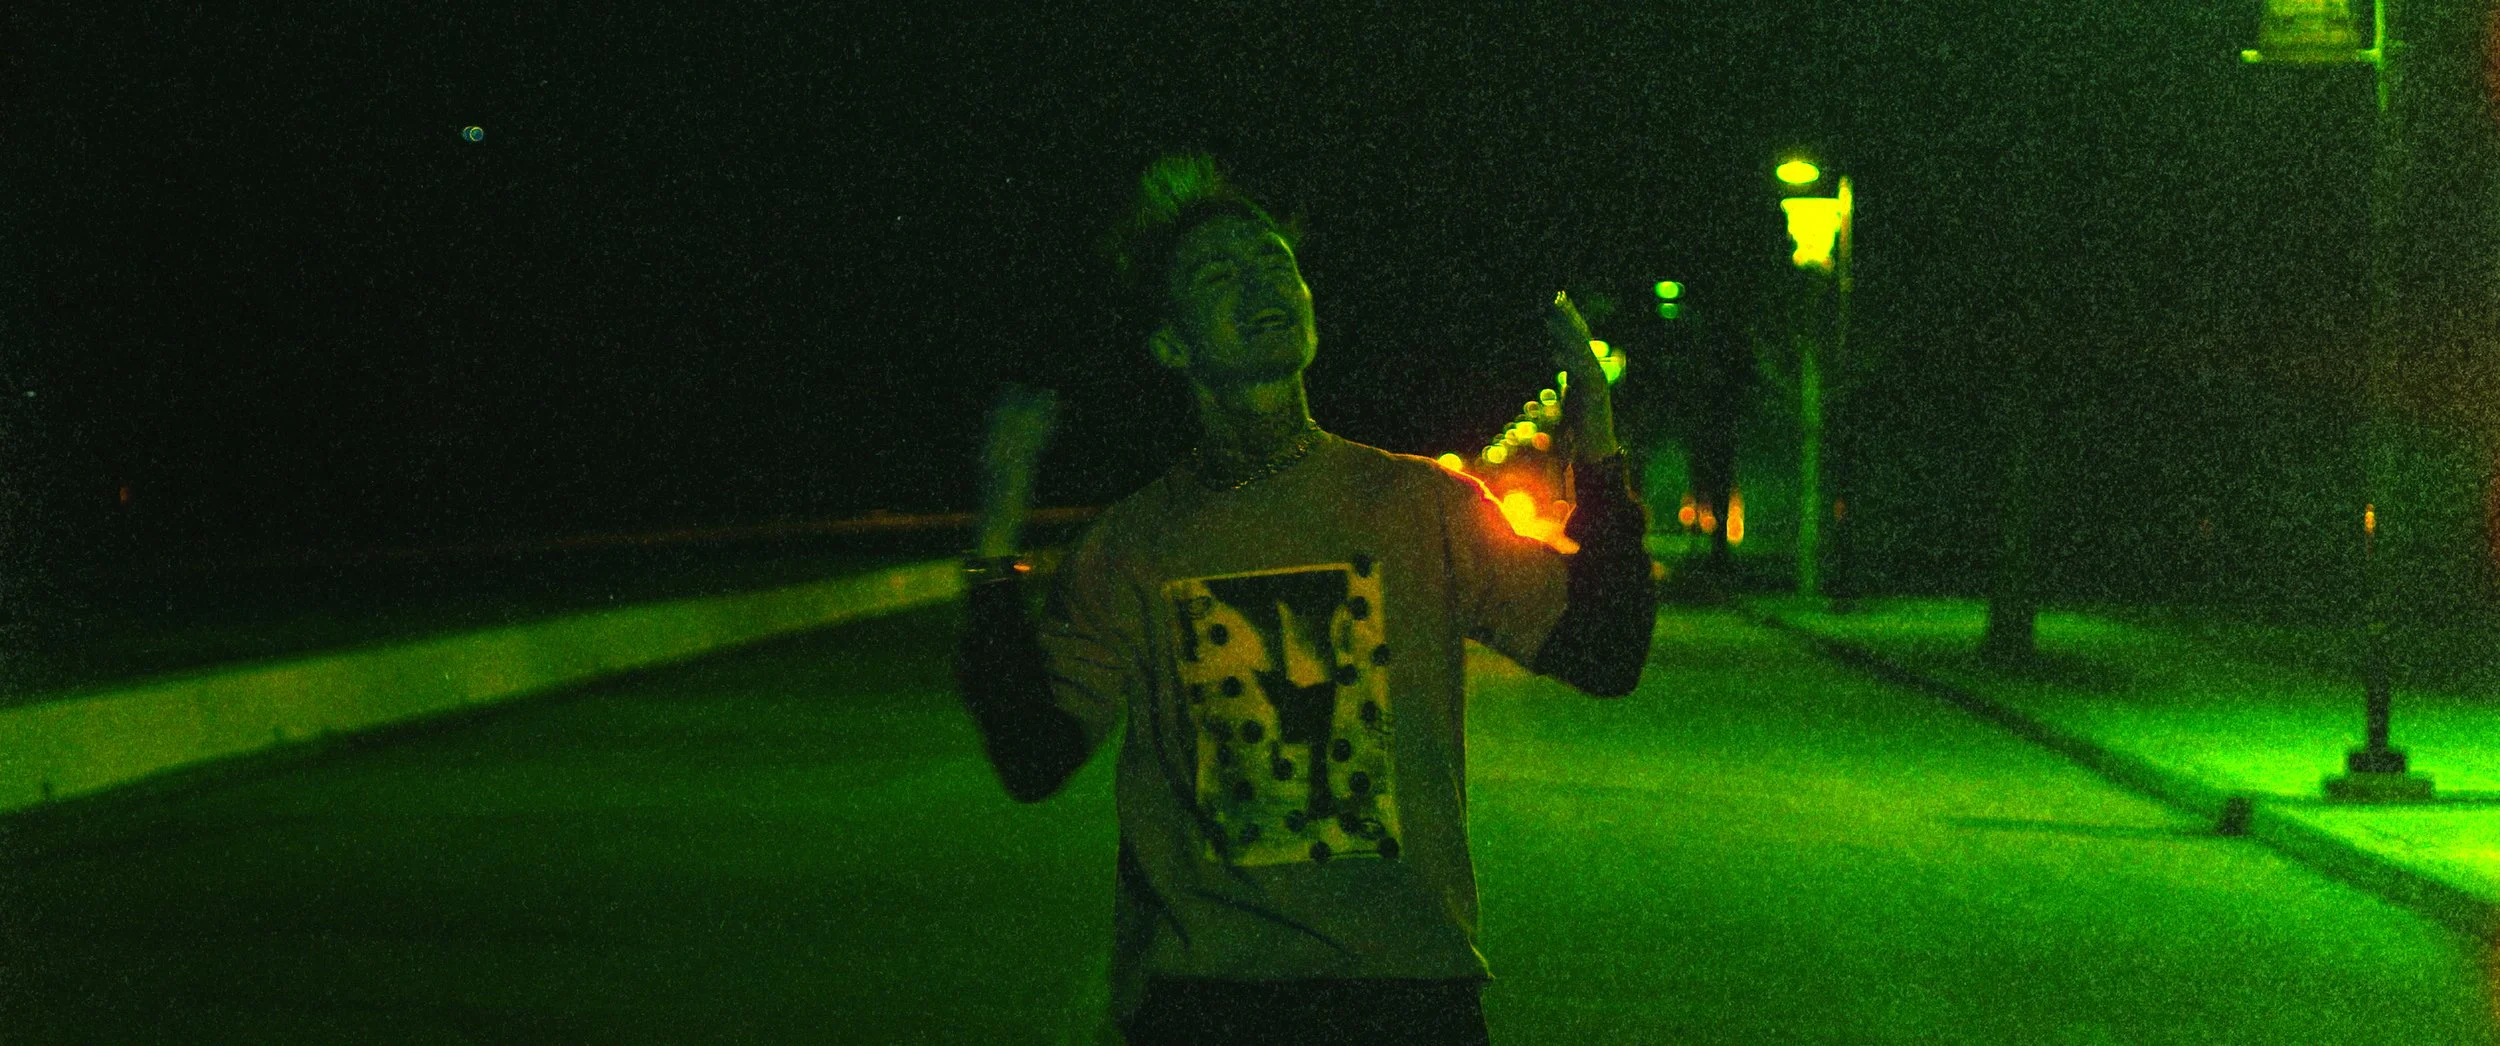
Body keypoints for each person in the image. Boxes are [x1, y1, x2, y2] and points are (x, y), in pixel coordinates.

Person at [956, 153, 1656, 1045]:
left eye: (1274, 262)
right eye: (1218, 275)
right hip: (1205, 1005)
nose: (1260, 284)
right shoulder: (1131, 546)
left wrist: (1598, 446)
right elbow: (1033, 756)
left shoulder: (1421, 507)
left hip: (1407, 996)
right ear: (1170, 344)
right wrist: (996, 529)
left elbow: (1606, 653)